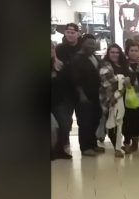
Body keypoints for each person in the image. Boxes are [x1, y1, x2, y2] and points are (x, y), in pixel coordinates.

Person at [72, 34, 105, 157]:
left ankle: (93, 144)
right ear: (82, 44)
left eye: (93, 43)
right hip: (84, 96)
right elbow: (76, 79)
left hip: (96, 95)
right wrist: (81, 95)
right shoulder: (77, 59)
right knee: (85, 122)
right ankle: (85, 147)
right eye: (89, 43)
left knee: (95, 120)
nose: (92, 46)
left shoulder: (94, 57)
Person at [52, 23, 81, 160]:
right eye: (68, 32)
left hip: (80, 90)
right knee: (65, 122)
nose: (70, 34)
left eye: (72, 32)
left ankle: (86, 144)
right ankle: (62, 146)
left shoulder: (82, 48)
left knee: (82, 120)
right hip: (64, 92)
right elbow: (58, 66)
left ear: (77, 33)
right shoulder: (59, 49)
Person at [98, 44, 130, 158]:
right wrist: (114, 94)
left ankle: (119, 145)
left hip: (124, 97)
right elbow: (105, 82)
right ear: (108, 53)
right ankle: (116, 147)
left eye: (117, 52)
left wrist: (125, 83)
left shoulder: (123, 64)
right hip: (109, 97)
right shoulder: (105, 65)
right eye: (112, 52)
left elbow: (129, 78)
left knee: (121, 121)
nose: (115, 54)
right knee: (112, 121)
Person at [123, 40, 139, 154]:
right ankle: (127, 142)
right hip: (126, 95)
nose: (134, 53)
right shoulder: (123, 63)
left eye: (136, 50)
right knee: (127, 120)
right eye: (131, 50)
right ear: (127, 52)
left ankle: (136, 143)